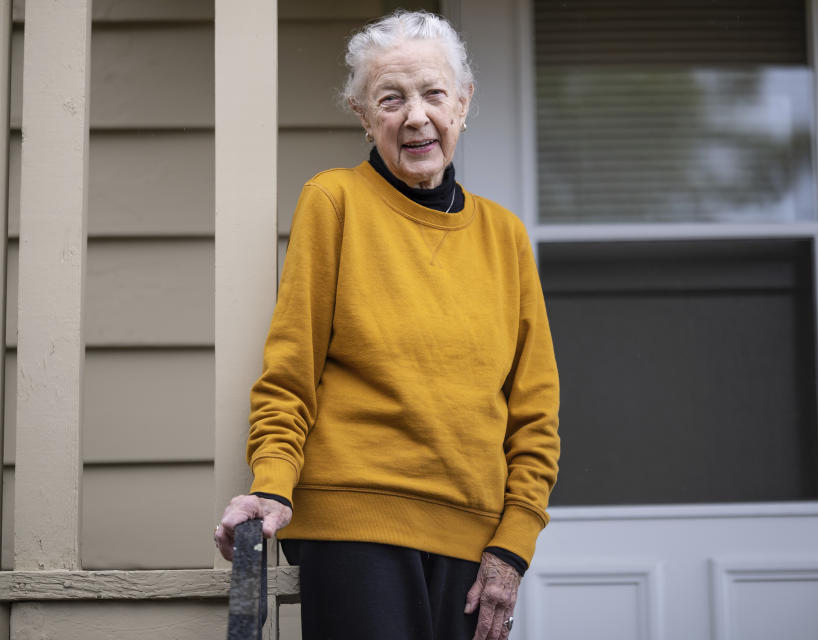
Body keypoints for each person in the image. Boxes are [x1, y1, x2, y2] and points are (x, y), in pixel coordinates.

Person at [214, 10, 560, 640]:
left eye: (433, 93)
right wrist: (272, 484)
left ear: (463, 101)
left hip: (472, 539)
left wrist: (515, 541)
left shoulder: (505, 236)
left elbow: (534, 412)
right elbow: (291, 374)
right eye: (391, 99)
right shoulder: (334, 203)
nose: (416, 116)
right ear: (362, 113)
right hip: (355, 529)